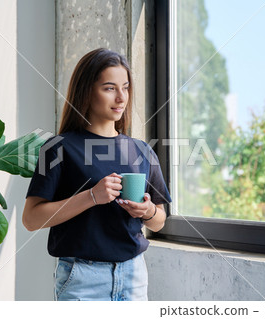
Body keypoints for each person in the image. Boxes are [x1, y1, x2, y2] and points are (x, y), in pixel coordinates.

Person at [22, 48, 172, 301]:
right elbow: (31, 218)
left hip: (134, 276)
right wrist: (91, 196)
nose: (121, 97)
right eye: (110, 88)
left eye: (125, 87)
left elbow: (159, 220)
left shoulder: (142, 150)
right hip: (82, 278)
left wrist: (146, 212)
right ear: (87, 91)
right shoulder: (59, 148)